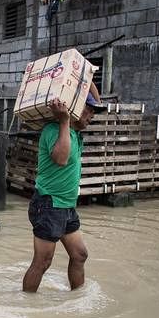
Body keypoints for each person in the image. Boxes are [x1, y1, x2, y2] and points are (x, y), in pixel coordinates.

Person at [23, 93, 107, 293]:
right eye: (89, 108)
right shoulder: (54, 130)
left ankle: (77, 299)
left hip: (67, 207)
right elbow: (61, 159)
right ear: (75, 108)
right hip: (49, 204)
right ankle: (27, 303)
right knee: (43, 262)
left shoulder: (75, 134)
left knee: (80, 255)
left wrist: (85, 72)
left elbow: (97, 96)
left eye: (94, 110)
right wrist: (65, 119)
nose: (93, 114)